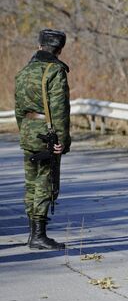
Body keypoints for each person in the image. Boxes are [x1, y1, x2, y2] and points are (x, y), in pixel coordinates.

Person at [14, 29, 71, 250]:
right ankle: (39, 235)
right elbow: (59, 109)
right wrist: (62, 141)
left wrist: (24, 130)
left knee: (31, 181)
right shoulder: (55, 71)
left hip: (28, 129)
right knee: (45, 181)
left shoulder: (25, 71)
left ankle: (32, 233)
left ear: (39, 46)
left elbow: (19, 108)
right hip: (47, 132)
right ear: (59, 49)